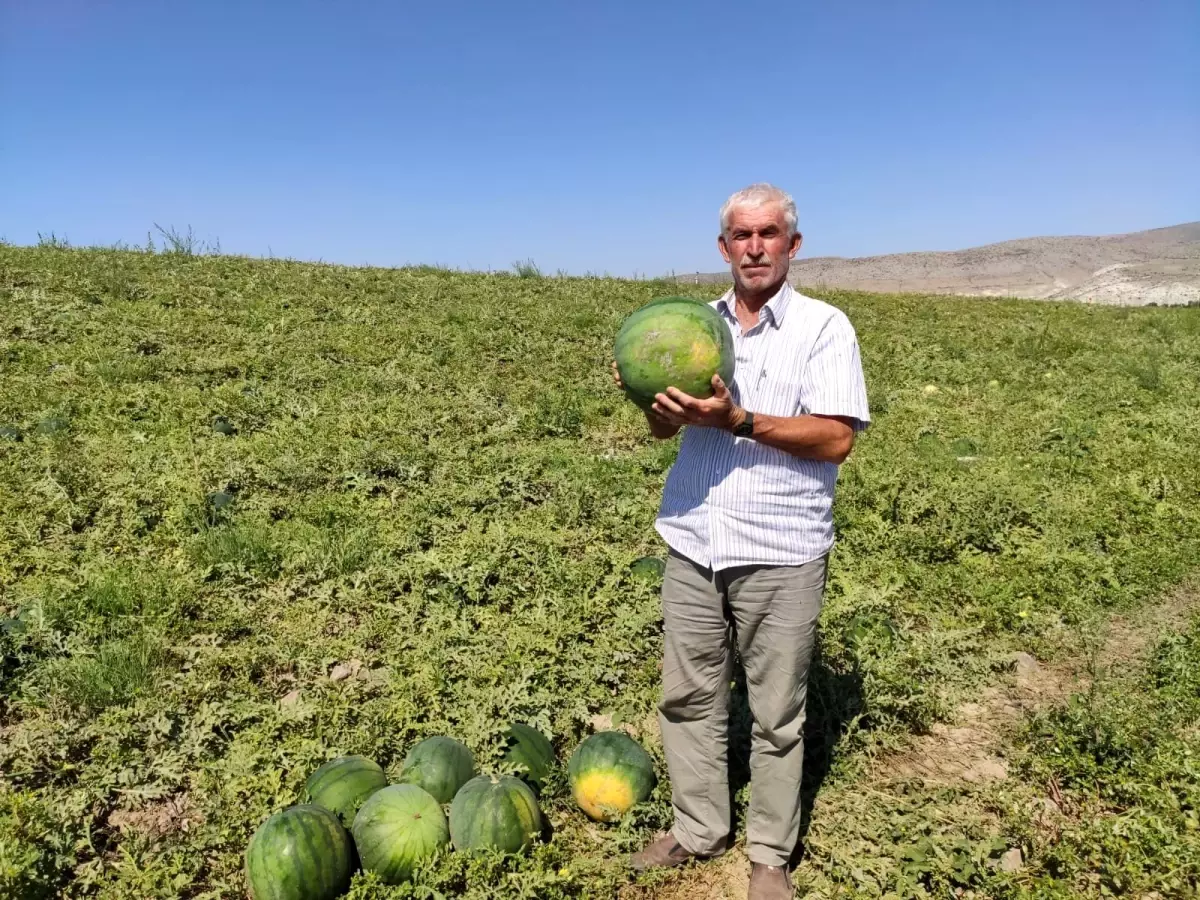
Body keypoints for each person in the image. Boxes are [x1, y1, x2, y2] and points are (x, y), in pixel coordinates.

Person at [611, 183, 870, 900]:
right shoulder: (692, 327)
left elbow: (837, 437)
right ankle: (698, 830)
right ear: (723, 247)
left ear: (793, 244)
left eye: (769, 234)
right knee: (689, 698)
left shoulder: (824, 328)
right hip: (696, 539)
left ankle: (769, 854)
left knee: (777, 713)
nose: (754, 247)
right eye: (741, 236)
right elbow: (670, 431)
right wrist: (655, 407)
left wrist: (741, 420)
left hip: (781, 549)